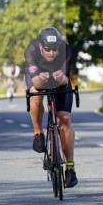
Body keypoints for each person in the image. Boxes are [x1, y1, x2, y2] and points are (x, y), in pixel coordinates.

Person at [25, 27, 78, 189]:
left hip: (59, 78)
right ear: (40, 46)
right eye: (47, 49)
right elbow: (35, 82)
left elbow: (63, 79)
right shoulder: (31, 50)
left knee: (65, 119)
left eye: (55, 49)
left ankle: (70, 168)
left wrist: (59, 78)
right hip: (38, 77)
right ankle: (38, 133)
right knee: (35, 94)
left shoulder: (66, 50)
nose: (51, 53)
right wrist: (40, 81)